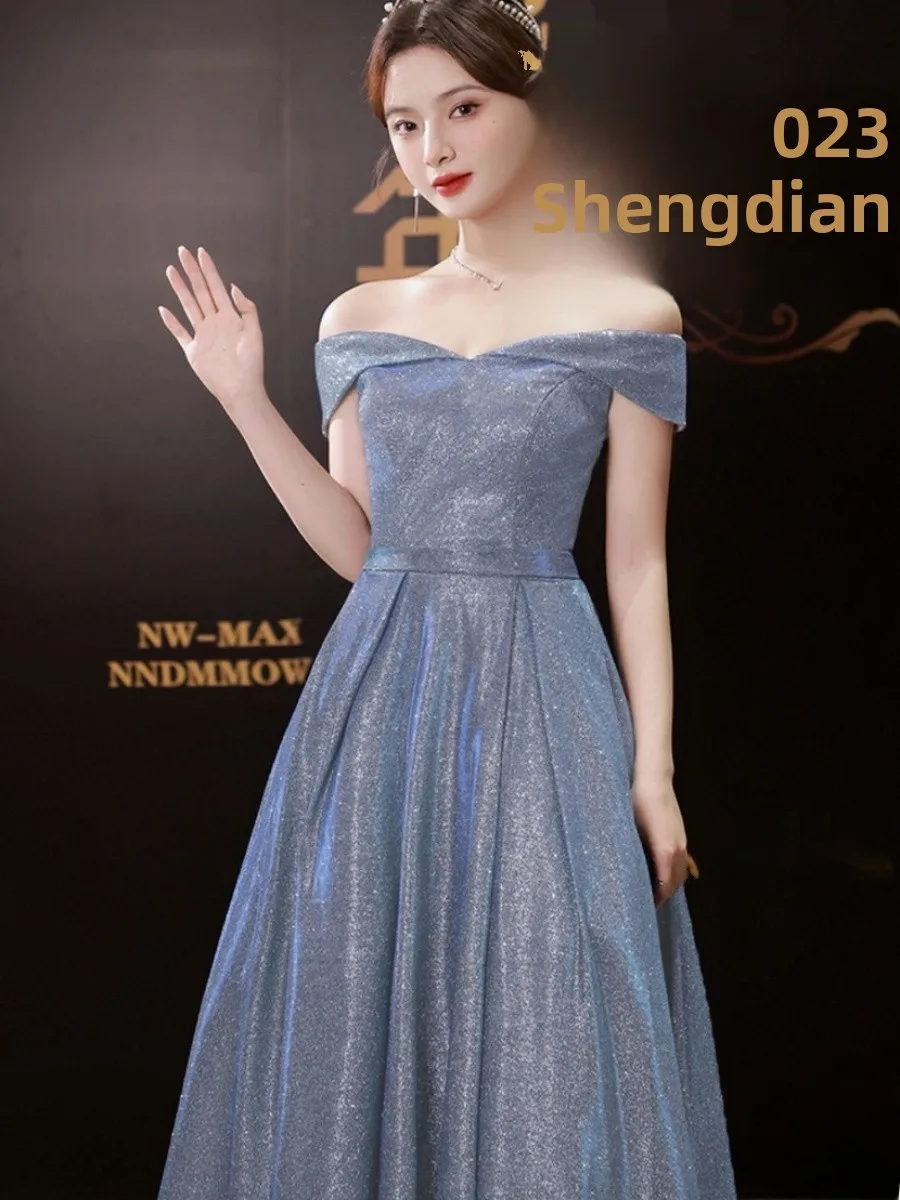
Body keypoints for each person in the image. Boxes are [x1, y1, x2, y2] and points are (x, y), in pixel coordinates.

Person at [155, 1, 737, 1196]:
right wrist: (243, 401)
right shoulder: (360, 321)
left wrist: (654, 768)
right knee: (354, 999)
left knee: (556, 1008)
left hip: (547, 691)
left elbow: (638, 561)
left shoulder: (631, 314)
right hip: (380, 697)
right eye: (406, 124)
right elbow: (359, 547)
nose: (435, 148)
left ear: (529, 104)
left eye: (463, 108)